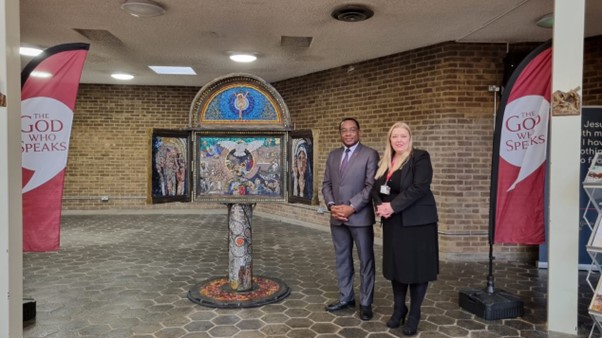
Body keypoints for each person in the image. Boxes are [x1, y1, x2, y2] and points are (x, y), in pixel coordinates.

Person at [371, 122, 438, 336]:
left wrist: (392, 206)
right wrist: (380, 207)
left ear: (410, 138)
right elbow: (375, 188)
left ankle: (415, 314)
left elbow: (420, 187)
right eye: (394, 136)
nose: (399, 140)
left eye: (403, 136)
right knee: (397, 267)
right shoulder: (386, 161)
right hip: (394, 222)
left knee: (417, 269)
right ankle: (399, 309)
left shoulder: (419, 157)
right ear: (389, 140)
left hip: (418, 224)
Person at [322, 117, 379, 321]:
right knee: (342, 259)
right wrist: (332, 206)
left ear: (359, 132)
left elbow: (371, 185)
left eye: (352, 130)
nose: (348, 133)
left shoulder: (369, 154)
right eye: (344, 130)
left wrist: (352, 207)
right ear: (340, 133)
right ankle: (346, 298)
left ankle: (365, 302)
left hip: (360, 217)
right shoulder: (333, 155)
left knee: (366, 261)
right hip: (337, 218)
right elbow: (326, 184)